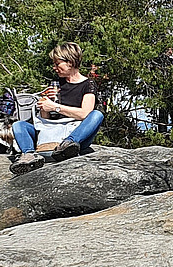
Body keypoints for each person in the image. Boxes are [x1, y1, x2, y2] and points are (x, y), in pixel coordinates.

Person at [10, 42, 104, 175]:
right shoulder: (56, 84)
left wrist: (56, 107)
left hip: (75, 131)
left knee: (96, 115)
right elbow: (45, 122)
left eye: (57, 63)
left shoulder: (88, 84)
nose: (54, 67)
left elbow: (85, 114)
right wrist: (45, 106)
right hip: (51, 132)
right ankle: (29, 155)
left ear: (70, 62)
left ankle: (68, 145)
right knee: (19, 125)